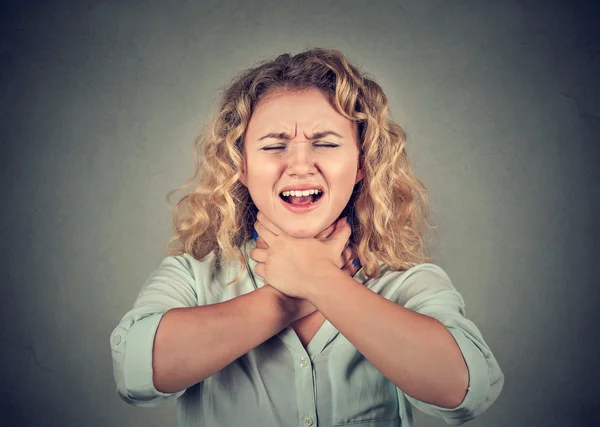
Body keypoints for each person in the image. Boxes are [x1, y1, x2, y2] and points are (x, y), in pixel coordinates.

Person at [110, 48, 504, 427]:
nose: (299, 164)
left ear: (362, 164)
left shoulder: (403, 279)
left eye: (326, 143)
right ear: (240, 166)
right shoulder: (193, 276)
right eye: (274, 146)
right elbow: (135, 373)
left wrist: (320, 279)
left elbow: (465, 391)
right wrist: (287, 297)